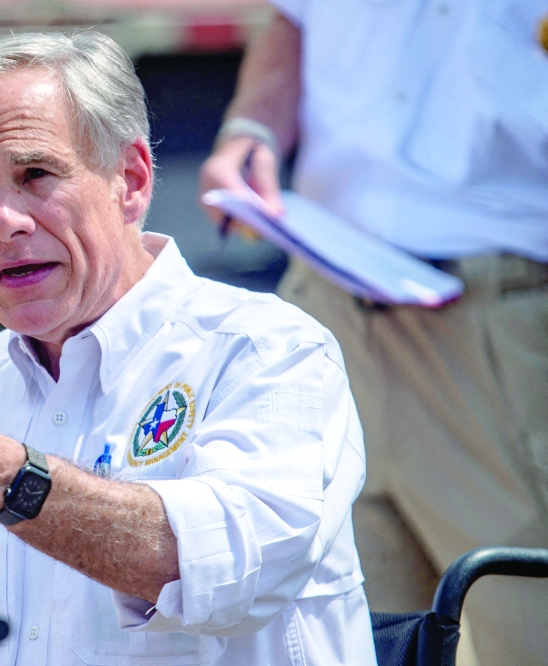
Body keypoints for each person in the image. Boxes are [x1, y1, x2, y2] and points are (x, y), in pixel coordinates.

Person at [0, 31, 377, 666]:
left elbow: (228, 572)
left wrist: (3, 480)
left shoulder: (265, 350)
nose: (3, 220)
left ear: (130, 179)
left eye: (36, 174)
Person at [198, 3, 548, 664]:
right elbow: (294, 16)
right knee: (339, 640)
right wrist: (253, 125)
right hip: (326, 289)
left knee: (529, 633)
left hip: (500, 311)